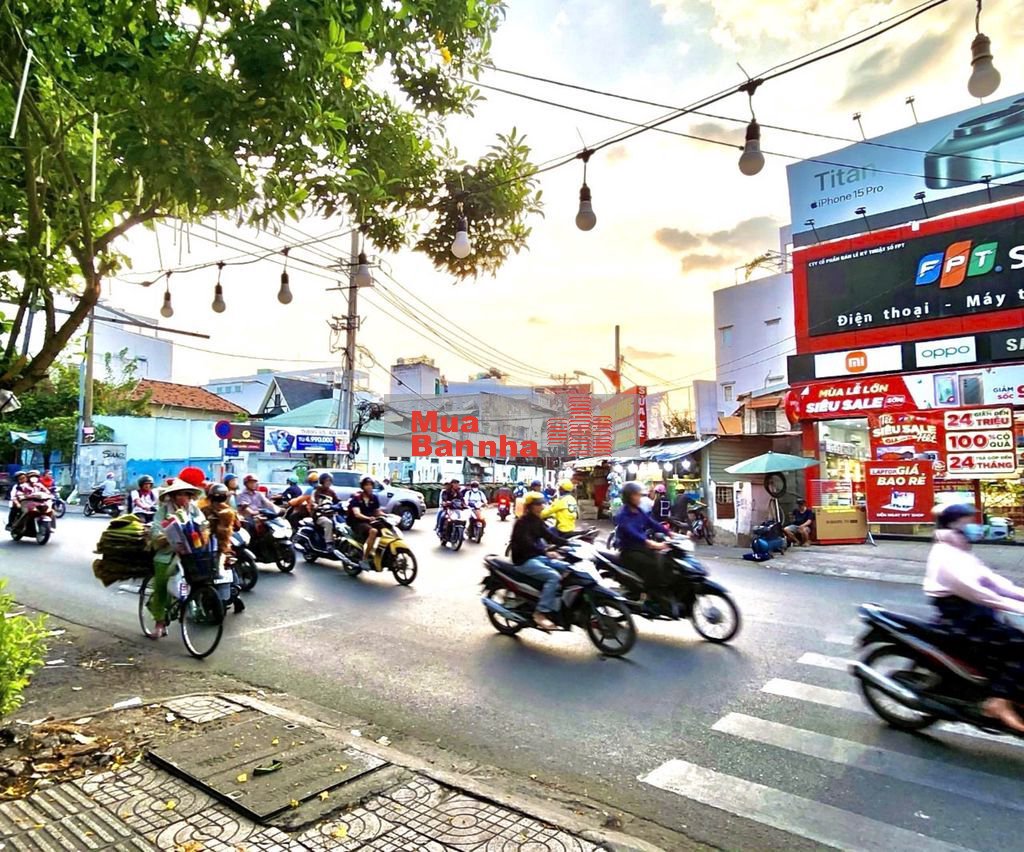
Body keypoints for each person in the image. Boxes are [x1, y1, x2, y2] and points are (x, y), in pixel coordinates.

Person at [925, 503, 1024, 733]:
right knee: (1019, 644)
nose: (975, 526)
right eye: (968, 521)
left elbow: (993, 582)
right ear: (953, 524)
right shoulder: (945, 554)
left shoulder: (961, 550)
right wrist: (1017, 607)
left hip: (978, 615)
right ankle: (999, 701)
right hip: (962, 620)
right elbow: (977, 592)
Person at [149, 478, 208, 638]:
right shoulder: (163, 511)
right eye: (180, 495)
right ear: (173, 496)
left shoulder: (194, 509)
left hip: (190, 554)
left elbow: (203, 524)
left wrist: (202, 533)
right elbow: (155, 530)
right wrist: (168, 537)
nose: (184, 498)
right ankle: (159, 623)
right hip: (167, 554)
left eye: (186, 495)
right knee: (162, 588)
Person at [509, 492, 572, 630]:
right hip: (524, 560)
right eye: (538, 504)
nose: (542, 507)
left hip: (537, 557)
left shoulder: (537, 521)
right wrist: (546, 552)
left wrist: (571, 543)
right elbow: (528, 544)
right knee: (553, 577)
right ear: (530, 506)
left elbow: (549, 536)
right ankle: (540, 612)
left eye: (542, 503)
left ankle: (555, 602)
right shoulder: (522, 523)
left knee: (568, 568)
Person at [615, 480, 672, 605]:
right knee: (652, 564)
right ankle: (651, 596)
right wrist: (651, 543)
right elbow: (633, 533)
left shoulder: (638, 511)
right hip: (630, 551)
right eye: (636, 495)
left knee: (666, 560)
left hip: (641, 548)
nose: (639, 497)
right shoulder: (623, 515)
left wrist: (670, 533)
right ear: (629, 497)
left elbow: (652, 523)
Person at [347, 476, 385, 568]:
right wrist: (368, 518)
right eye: (367, 485)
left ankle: (378, 552)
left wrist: (387, 516)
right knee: (373, 531)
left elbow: (377, 511)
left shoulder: (374, 498)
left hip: (369, 521)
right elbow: (357, 514)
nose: (369, 487)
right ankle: (365, 558)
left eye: (371, 485)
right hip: (358, 522)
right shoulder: (357, 498)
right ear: (363, 486)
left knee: (386, 529)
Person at [311, 472, 341, 546]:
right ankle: (329, 543)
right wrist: (315, 505)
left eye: (330, 481)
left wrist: (342, 504)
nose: (329, 482)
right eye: (327, 481)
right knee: (328, 523)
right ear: (322, 481)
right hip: (319, 515)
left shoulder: (331, 492)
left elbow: (337, 501)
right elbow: (312, 502)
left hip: (330, 514)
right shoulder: (316, 491)